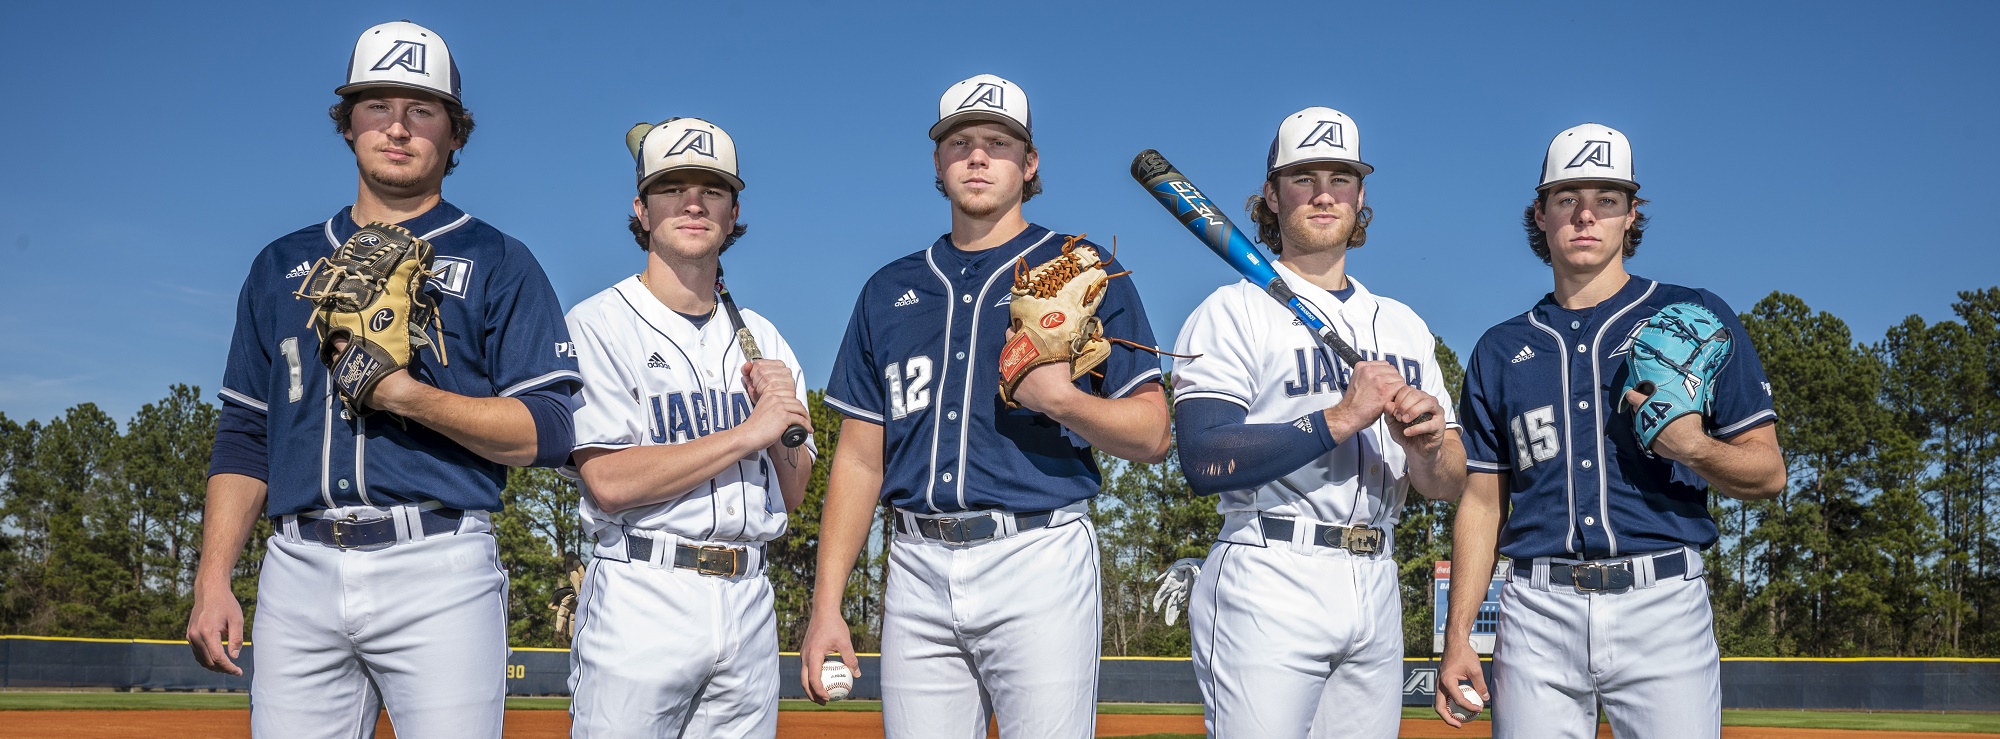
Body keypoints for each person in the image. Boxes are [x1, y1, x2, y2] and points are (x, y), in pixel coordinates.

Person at [185, 20, 580, 738]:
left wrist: (406, 395)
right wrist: (214, 577)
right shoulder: (281, 265)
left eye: (422, 110)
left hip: (439, 563)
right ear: (346, 124)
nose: (398, 128)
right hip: (297, 564)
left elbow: (549, 429)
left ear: (455, 134)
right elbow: (246, 432)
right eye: (377, 106)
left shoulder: (498, 259)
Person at [798, 73, 1172, 738]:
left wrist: (1060, 400)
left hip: (1038, 555)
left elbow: (1152, 431)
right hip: (913, 563)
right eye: (960, 142)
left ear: (1029, 165)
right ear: (938, 164)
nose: (977, 156)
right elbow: (858, 461)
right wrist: (827, 603)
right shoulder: (887, 290)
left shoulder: (1079, 267)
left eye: (999, 143)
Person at [1435, 123, 1786, 738]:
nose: (1586, 215)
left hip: (1662, 603)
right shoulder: (1500, 348)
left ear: (1631, 215)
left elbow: (1768, 472)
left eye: (1607, 199)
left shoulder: (1691, 317)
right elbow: (1483, 502)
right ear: (1540, 215)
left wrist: (1695, 447)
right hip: (1536, 610)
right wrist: (1458, 634)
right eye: (1567, 199)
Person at [1166, 106, 1463, 738]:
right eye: (1303, 178)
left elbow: (1447, 483)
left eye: (1341, 178)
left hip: (1377, 578)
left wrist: (1430, 447)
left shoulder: (1405, 324)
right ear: (1271, 196)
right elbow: (1203, 457)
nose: (1324, 193)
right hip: (1270, 568)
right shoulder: (1231, 311)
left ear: (1361, 196)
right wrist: (1339, 418)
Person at [561, 116, 813, 738]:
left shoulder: (766, 337)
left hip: (750, 594)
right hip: (643, 589)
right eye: (673, 188)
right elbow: (610, 483)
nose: (694, 203)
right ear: (641, 211)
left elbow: (797, 490)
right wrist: (750, 432)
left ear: (732, 215)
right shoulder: (599, 324)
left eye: (713, 190)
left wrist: (787, 428)